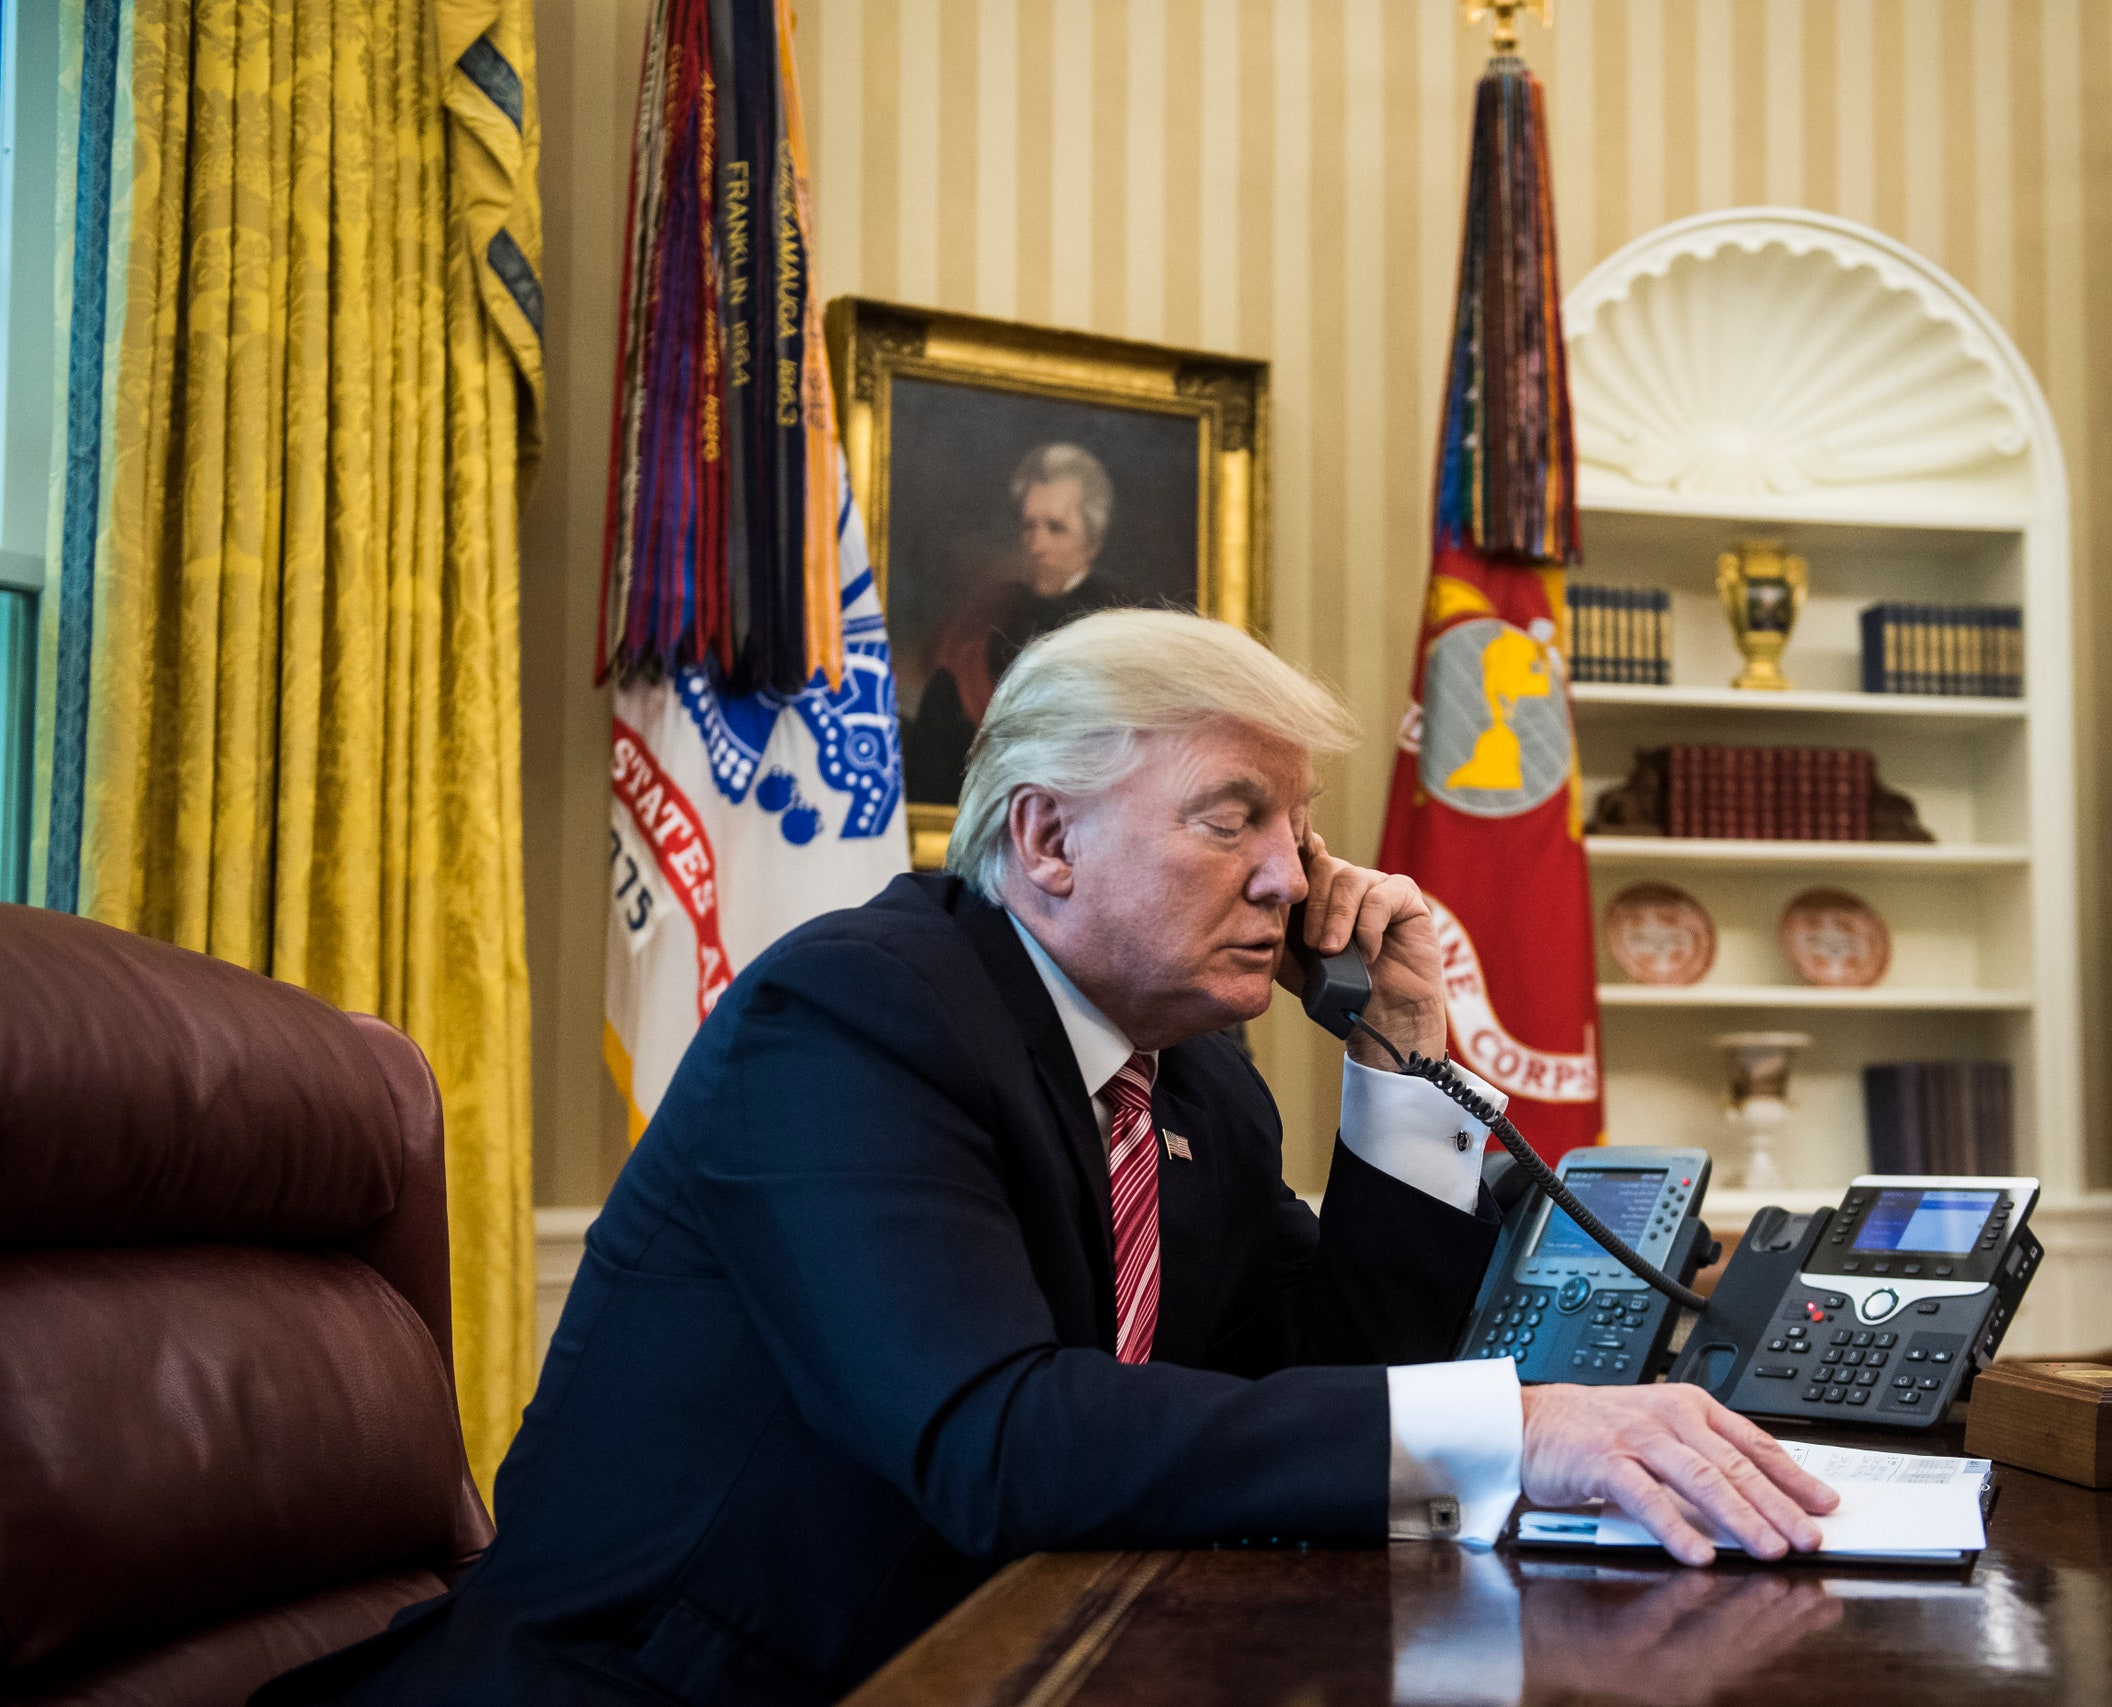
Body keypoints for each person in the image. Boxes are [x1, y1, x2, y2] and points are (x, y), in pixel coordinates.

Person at [262, 610, 1835, 1707]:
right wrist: (1523, 1420)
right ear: (1045, 839)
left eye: (1301, 826)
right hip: (660, 1686)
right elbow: (997, 1437)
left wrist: (1401, 1066)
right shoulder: (853, 1014)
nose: (1299, 876)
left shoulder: (1206, 1091)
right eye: (1238, 819)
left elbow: (1315, 1386)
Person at [904, 442, 1137, 802]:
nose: (1036, 545)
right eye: (1029, 527)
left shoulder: (1121, 618)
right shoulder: (995, 608)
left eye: (1055, 528)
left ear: (1092, 541)